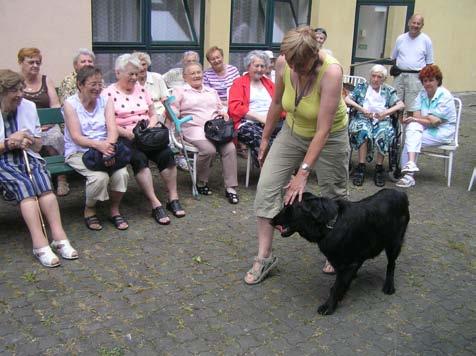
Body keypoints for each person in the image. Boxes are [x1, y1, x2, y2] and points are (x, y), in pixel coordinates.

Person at [244, 26, 349, 284]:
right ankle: (264, 257)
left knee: (333, 193)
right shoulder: (283, 64)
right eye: (292, 63)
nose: (296, 69)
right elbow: (278, 102)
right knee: (267, 188)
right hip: (293, 131)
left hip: (330, 136)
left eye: (301, 64)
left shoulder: (332, 72)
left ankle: (337, 249)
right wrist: (266, 137)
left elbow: (323, 130)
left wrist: (303, 172)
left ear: (315, 54)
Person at [0, 69, 78, 267]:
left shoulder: (27, 106)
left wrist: (28, 140)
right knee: (25, 187)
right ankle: (40, 243)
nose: (20, 94)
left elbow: (37, 144)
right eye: (14, 91)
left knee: (44, 186)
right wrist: (10, 142)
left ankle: (59, 238)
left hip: (28, 156)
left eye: (20, 89)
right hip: (4, 160)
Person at [102, 54, 186, 224]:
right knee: (139, 158)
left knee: (166, 154)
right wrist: (128, 133)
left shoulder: (141, 89)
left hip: (147, 133)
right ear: (118, 73)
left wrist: (151, 125)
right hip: (126, 137)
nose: (135, 78)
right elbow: (107, 122)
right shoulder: (108, 93)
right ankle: (155, 203)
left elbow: (153, 113)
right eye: (130, 74)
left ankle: (173, 198)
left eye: (136, 73)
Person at [63, 66, 129, 231]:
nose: (98, 88)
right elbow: (76, 136)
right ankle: (89, 209)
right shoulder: (70, 104)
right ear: (80, 84)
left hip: (105, 147)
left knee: (122, 174)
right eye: (93, 84)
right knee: (99, 178)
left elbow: (112, 129)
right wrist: (98, 145)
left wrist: (109, 145)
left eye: (100, 84)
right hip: (79, 150)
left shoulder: (105, 100)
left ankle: (114, 209)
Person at [171, 62, 239, 204]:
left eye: (199, 72)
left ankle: (231, 187)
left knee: (230, 148)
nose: (197, 75)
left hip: (215, 128)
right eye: (192, 73)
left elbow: (220, 107)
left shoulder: (211, 91)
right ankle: (201, 182)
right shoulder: (180, 91)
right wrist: (173, 113)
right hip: (193, 128)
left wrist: (223, 113)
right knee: (209, 150)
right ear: (185, 77)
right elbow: (174, 110)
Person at [18, 47, 70, 196]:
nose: (35, 65)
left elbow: (55, 105)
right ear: (21, 62)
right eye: (31, 62)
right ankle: (30, 179)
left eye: (38, 62)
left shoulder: (46, 80)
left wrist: (48, 124)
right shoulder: (16, 82)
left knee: (56, 137)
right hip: (25, 127)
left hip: (47, 126)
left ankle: (61, 178)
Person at [396, 64, 456, 188]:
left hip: (442, 131)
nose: (428, 84)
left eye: (431, 80)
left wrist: (423, 118)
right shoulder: (422, 93)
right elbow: (418, 116)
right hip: (425, 127)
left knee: (411, 138)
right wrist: (429, 117)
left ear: (438, 80)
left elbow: (436, 122)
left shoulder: (445, 96)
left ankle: (408, 175)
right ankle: (411, 164)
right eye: (425, 81)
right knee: (413, 127)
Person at [345, 65, 405, 187]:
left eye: (379, 77)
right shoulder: (362, 87)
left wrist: (385, 113)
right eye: (374, 76)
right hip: (363, 117)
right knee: (363, 130)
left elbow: (400, 105)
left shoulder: (388, 90)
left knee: (384, 132)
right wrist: (361, 109)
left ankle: (379, 168)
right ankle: (361, 166)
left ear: (384, 79)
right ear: (370, 76)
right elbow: (347, 99)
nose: (376, 79)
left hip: (381, 119)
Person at [228, 50, 282, 167]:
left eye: (262, 66)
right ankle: (272, 173)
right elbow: (234, 108)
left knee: (287, 140)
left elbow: (280, 104)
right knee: (262, 140)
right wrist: (261, 118)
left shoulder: (269, 84)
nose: (259, 69)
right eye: (256, 65)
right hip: (248, 123)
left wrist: (275, 117)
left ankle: (283, 172)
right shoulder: (238, 83)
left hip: (272, 122)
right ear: (248, 66)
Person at [391, 14, 433, 114]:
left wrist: (424, 80)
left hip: (416, 78)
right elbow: (394, 58)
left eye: (418, 23)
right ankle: (396, 127)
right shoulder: (400, 38)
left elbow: (429, 64)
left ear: (422, 25)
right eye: (414, 22)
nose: (415, 25)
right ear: (409, 23)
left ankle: (408, 128)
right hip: (399, 76)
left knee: (412, 107)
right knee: (395, 104)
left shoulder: (426, 40)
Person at [131, 51, 169, 118]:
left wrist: (166, 111)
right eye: (138, 65)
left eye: (144, 64)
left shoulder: (157, 77)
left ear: (148, 65)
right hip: (139, 112)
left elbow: (165, 97)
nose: (142, 68)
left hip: (159, 111)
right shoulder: (131, 81)